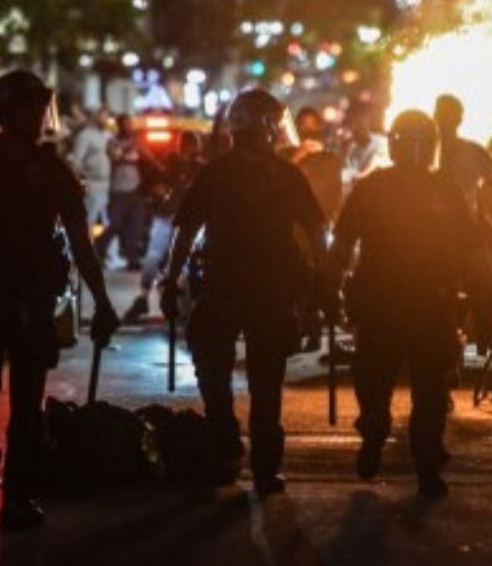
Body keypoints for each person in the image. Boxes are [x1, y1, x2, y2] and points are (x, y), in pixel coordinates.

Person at [0, 70, 121, 531]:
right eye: (32, 106)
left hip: (15, 301)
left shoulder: (35, 168)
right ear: (10, 111)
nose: (39, 117)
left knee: (23, 404)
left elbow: (80, 245)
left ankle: (11, 491)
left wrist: (104, 303)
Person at [158, 90, 328, 497]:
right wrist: (324, 281)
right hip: (260, 289)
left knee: (217, 373)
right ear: (265, 127)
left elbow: (183, 232)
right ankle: (261, 465)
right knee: (263, 382)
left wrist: (171, 279)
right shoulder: (283, 175)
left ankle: (228, 449)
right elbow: (316, 233)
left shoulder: (221, 172)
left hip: (229, 287)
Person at [328, 110, 481, 498]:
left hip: (421, 305)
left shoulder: (432, 190)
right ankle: (382, 437)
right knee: (394, 386)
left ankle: (423, 463)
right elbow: (343, 242)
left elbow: (470, 248)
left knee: (424, 392)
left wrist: (328, 284)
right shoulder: (388, 188)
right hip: (391, 304)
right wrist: (328, 284)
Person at [433, 94, 492, 349]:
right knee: (486, 279)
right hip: (456, 234)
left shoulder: (424, 151)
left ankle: (490, 324)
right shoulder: (469, 151)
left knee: (488, 264)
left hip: (435, 231)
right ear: (460, 119)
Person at [124, 131, 204, 323]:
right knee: (154, 255)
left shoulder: (201, 167)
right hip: (167, 216)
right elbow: (145, 187)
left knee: (192, 259)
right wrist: (158, 192)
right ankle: (143, 297)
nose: (192, 149)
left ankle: (190, 302)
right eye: (190, 144)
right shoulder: (168, 163)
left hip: (192, 220)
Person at [95, 114, 147, 269]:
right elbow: (116, 156)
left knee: (135, 226)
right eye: (125, 124)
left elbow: (145, 157)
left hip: (137, 189)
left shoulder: (137, 141)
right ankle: (98, 250)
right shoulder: (113, 141)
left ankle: (132, 259)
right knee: (115, 224)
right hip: (119, 189)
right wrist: (130, 149)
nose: (129, 126)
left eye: (130, 123)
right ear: (119, 125)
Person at [288, 107, 344, 224]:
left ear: (320, 127)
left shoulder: (331, 160)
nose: (308, 129)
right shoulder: (286, 155)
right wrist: (299, 155)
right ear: (297, 127)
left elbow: (336, 197)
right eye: (303, 124)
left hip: (319, 226)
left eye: (313, 124)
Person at [68, 109, 112, 230]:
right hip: (92, 184)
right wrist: (80, 182)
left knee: (105, 221)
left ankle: (102, 247)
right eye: (103, 117)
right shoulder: (85, 136)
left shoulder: (106, 135)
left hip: (106, 184)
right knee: (89, 219)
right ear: (96, 117)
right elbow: (77, 161)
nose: (105, 120)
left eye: (107, 117)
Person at [341, 103, 387, 190]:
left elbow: (375, 168)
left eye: (358, 122)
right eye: (351, 123)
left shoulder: (381, 143)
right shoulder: (352, 148)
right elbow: (348, 173)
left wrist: (357, 177)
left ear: (367, 121)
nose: (354, 127)